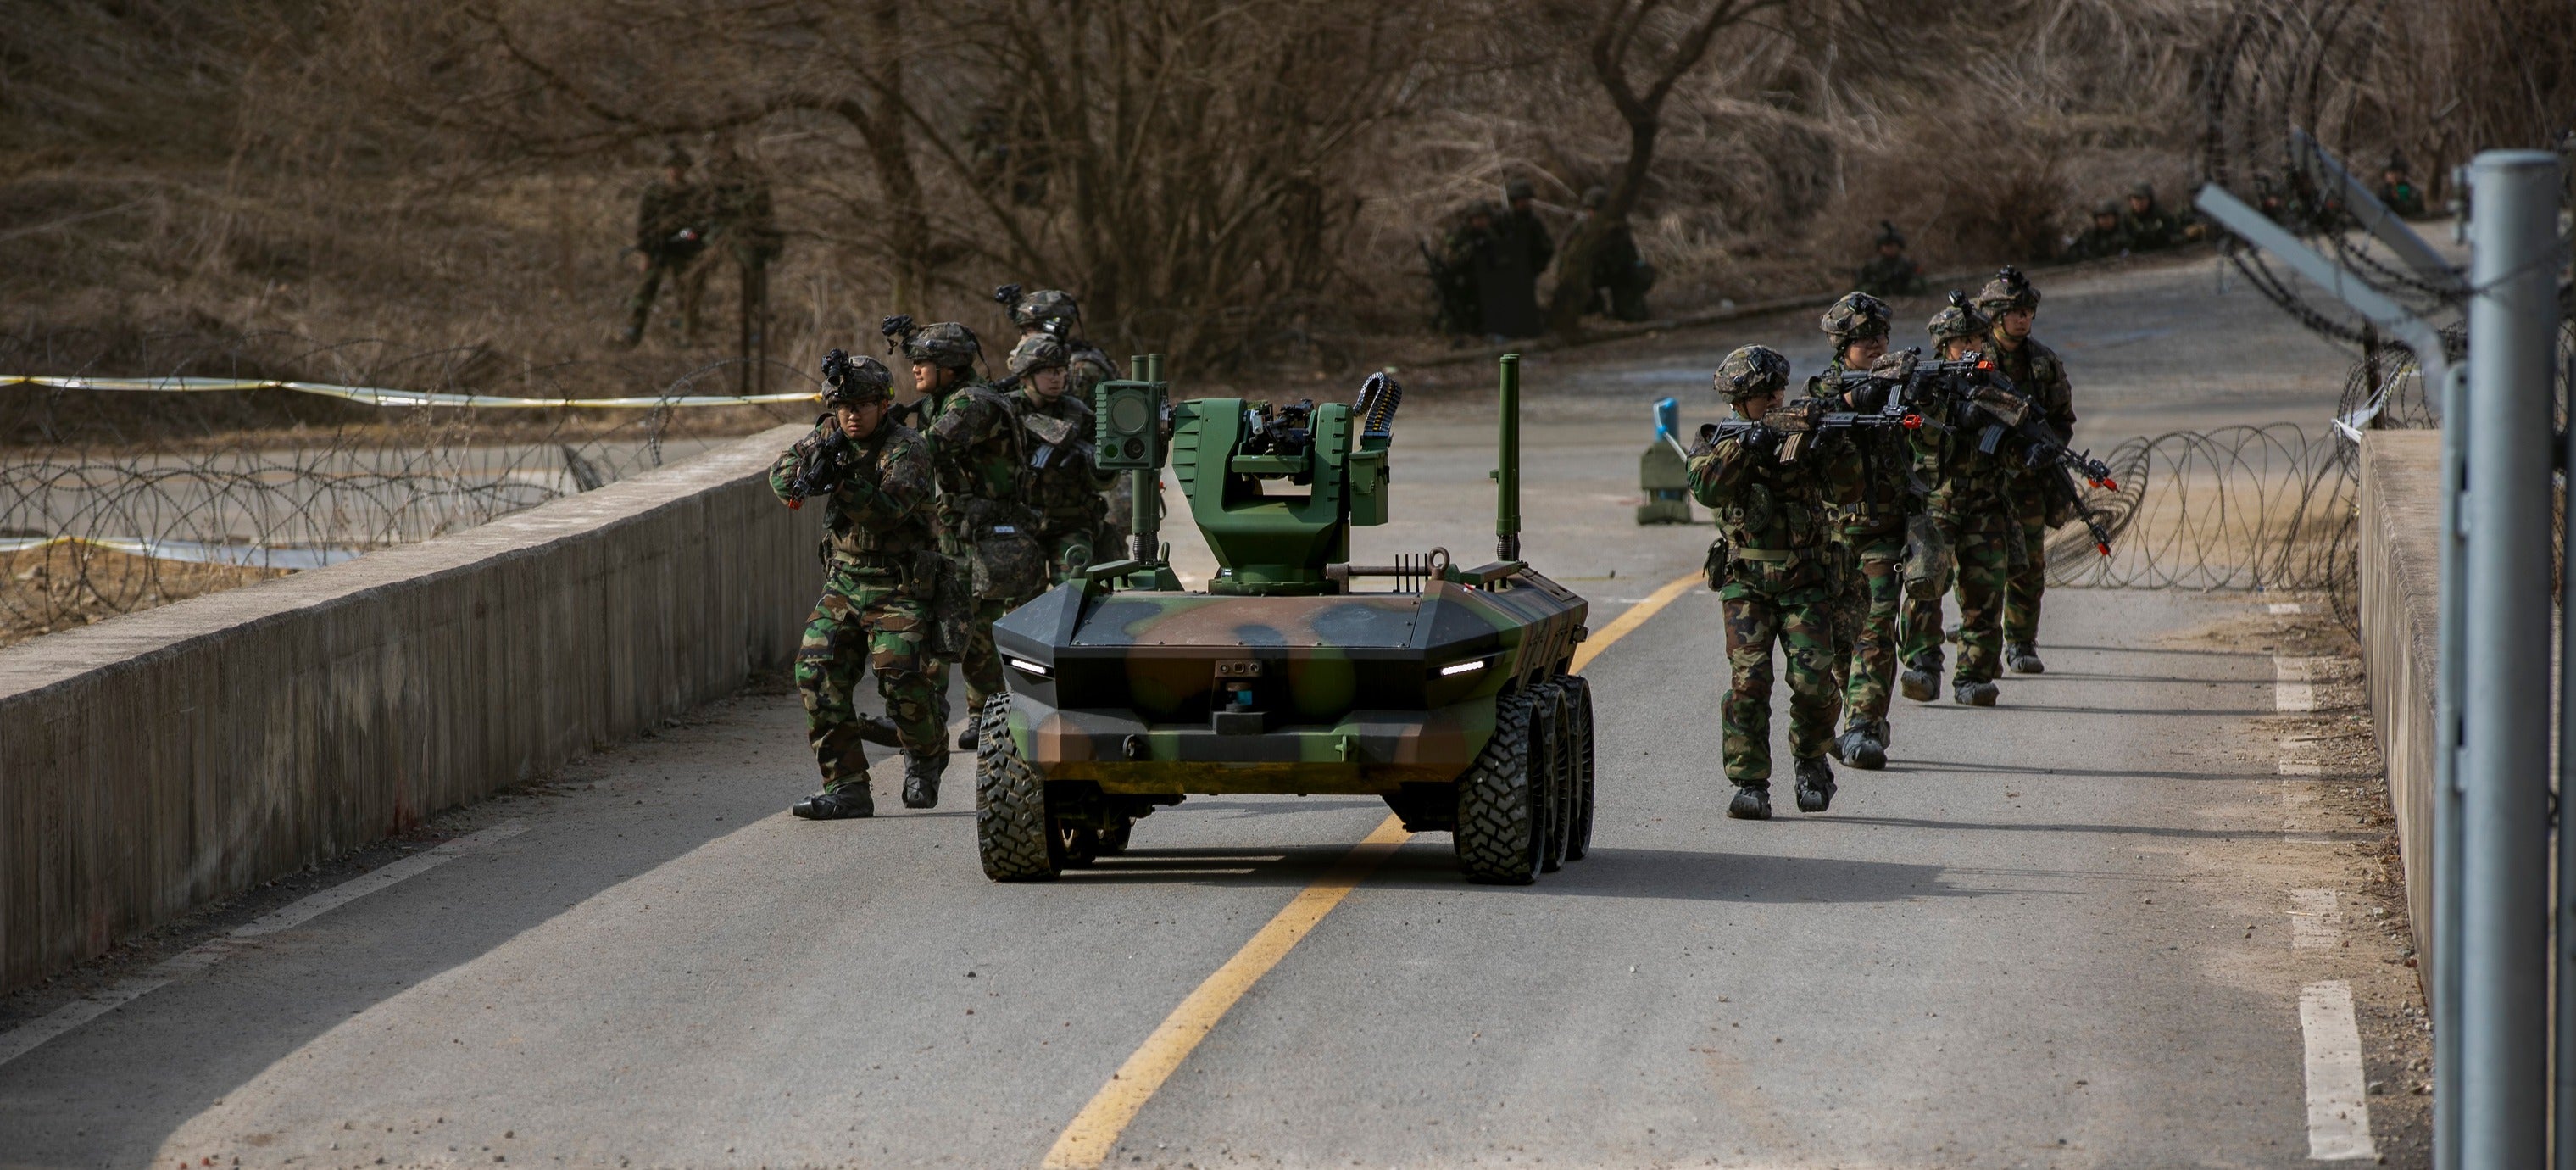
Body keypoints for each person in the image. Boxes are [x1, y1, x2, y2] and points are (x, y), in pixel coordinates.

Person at [1689, 345, 1863, 820]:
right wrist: (1745, 448)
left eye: (1778, 391)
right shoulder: (1717, 441)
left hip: (1806, 579)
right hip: (1746, 583)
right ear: (1740, 401)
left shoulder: (1804, 435)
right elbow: (1706, 487)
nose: (1775, 400)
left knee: (1812, 681)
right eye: (1764, 394)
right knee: (1749, 684)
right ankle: (1749, 782)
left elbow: (1851, 489)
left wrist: (1831, 446)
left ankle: (1810, 761)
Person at [771, 350, 947, 819]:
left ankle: (926, 760)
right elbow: (782, 474)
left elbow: (890, 511)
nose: (851, 414)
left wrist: (843, 482)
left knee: (902, 676)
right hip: (845, 582)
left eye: (862, 404)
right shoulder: (828, 437)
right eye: (843, 405)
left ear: (883, 405)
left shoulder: (907, 448)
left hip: (900, 585)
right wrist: (811, 475)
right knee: (816, 671)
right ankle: (847, 786)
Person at [921, 321, 1049, 754]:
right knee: (976, 631)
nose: (916, 369)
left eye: (926, 362)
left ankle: (943, 714)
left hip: (982, 535)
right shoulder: (955, 398)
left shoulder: (970, 404)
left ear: (952, 366)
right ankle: (982, 715)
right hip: (971, 532)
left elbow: (926, 449)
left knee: (953, 625)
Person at [1804, 292, 1908, 770]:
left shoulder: (1900, 383)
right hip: (1833, 538)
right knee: (1838, 641)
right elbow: (1799, 433)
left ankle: (1865, 725)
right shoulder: (1819, 391)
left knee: (1877, 626)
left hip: (1882, 531)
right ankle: (1850, 718)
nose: (1877, 344)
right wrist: (1847, 401)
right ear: (1842, 345)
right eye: (1865, 338)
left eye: (1882, 336)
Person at [1898, 298, 2016, 708]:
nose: (1972, 346)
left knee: (1984, 592)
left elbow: (2015, 438)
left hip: (1985, 504)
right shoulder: (1925, 384)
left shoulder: (1995, 381)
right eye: (1962, 339)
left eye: (1978, 338)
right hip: (1936, 502)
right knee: (1924, 583)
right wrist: (1943, 410)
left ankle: (1974, 675)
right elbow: (1915, 437)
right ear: (1943, 345)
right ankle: (1923, 664)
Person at [1973, 267, 2076, 678]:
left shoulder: (2044, 363)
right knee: (1982, 566)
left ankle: (2020, 640)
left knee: (2029, 565)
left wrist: (2045, 449)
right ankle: (1980, 644)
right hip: (1983, 482)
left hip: (2029, 483)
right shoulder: (1975, 361)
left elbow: (2062, 420)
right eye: (2015, 312)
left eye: (2027, 312)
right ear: (1996, 316)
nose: (2023, 319)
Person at [1002, 287, 1130, 552]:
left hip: (1096, 484)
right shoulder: (1062, 362)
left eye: (1028, 331)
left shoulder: (1079, 369)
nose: (1023, 339)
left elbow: (1064, 422)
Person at [1004, 333, 1115, 582]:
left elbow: (1107, 479)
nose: (1056, 378)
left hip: (1071, 520)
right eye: (1047, 372)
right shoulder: (1006, 412)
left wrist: (1094, 465)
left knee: (1077, 590)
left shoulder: (1079, 413)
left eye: (1060, 371)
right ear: (1025, 375)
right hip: (1020, 522)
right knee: (1022, 604)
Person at [620, 144, 715, 348]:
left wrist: (687, 236)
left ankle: (688, 334)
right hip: (658, 248)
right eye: (671, 166)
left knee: (688, 293)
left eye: (679, 166)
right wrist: (645, 252)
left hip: (685, 249)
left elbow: (701, 224)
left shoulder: (695, 193)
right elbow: (644, 224)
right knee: (645, 290)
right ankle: (633, 331)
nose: (675, 170)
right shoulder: (654, 192)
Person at [709, 137, 783, 391]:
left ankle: (756, 321)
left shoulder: (745, 175)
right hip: (729, 236)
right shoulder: (715, 175)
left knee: (754, 284)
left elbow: (761, 207)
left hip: (749, 237)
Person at [1479, 181, 1550, 338]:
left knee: (1527, 305)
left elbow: (1545, 247)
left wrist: (1537, 266)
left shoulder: (1533, 222)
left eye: (1527, 200)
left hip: (1526, 269)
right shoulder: (1502, 221)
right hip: (1505, 271)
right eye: (1521, 200)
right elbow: (1489, 243)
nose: (1524, 204)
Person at [1576, 187, 1656, 322]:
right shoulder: (1581, 229)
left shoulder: (1618, 228)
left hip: (1617, 273)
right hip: (1591, 275)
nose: (1593, 214)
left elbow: (1631, 257)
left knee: (1633, 315)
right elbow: (1568, 259)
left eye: (1596, 210)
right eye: (1591, 210)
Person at [1854, 221, 1927, 298]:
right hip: (1879, 292)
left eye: (1892, 246)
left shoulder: (1907, 263)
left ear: (1899, 247)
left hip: (1903, 292)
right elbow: (1860, 285)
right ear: (1880, 248)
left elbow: (1921, 282)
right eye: (1886, 246)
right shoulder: (1872, 265)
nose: (1890, 249)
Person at [2121, 181, 2184, 250]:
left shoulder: (2160, 213)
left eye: (2142, 199)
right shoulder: (2127, 217)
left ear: (2149, 200)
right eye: (2135, 200)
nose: (2139, 203)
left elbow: (2176, 233)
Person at [2066, 198, 2133, 260]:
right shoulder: (2090, 235)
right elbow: (2075, 252)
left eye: (2108, 217)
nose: (2105, 220)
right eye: (2101, 217)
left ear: (2115, 218)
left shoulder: (2125, 232)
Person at [2379, 154, 2429, 219]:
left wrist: (2396, 199)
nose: (2391, 175)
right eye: (2389, 172)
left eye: (2394, 172)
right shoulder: (2384, 191)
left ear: (2402, 173)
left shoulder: (2413, 192)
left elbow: (2410, 212)